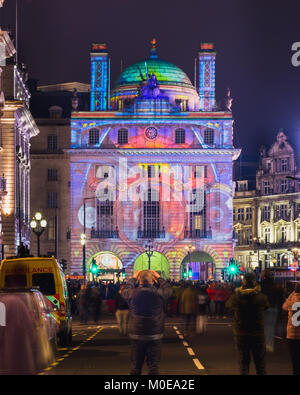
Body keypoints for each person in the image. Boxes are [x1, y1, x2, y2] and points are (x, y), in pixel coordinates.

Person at [121, 269, 172, 375]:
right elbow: (168, 290)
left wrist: (133, 277)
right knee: (153, 366)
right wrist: (159, 277)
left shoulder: (132, 293)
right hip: (155, 334)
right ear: (152, 281)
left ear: (139, 281)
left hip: (137, 334)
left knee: (136, 367)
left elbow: (125, 290)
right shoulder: (159, 293)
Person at [226, 272, 270, 375]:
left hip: (241, 333)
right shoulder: (261, 297)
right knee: (260, 366)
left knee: (244, 365)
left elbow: (228, 305)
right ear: (255, 282)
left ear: (243, 282)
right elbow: (267, 306)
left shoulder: (236, 297)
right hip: (257, 333)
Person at [261, 270, 284, 352]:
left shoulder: (261, 285)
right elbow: (280, 297)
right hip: (273, 307)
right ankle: (269, 344)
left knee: (263, 327)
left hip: (263, 308)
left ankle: (263, 344)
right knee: (270, 327)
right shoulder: (275, 285)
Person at [282, 281, 300, 375]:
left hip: (292, 335)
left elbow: (284, 306)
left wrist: (292, 294)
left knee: (295, 360)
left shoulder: (291, 301)